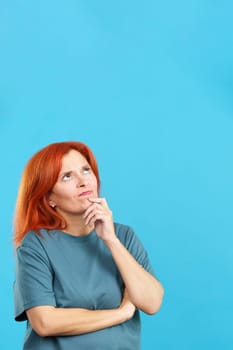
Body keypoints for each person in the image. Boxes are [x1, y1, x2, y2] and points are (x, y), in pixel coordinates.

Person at [13, 141, 164, 350]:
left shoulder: (124, 236)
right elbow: (45, 322)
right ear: (49, 198)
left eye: (86, 170)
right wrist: (122, 313)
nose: (83, 181)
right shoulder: (36, 245)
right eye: (67, 176)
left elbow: (152, 303)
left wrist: (110, 240)